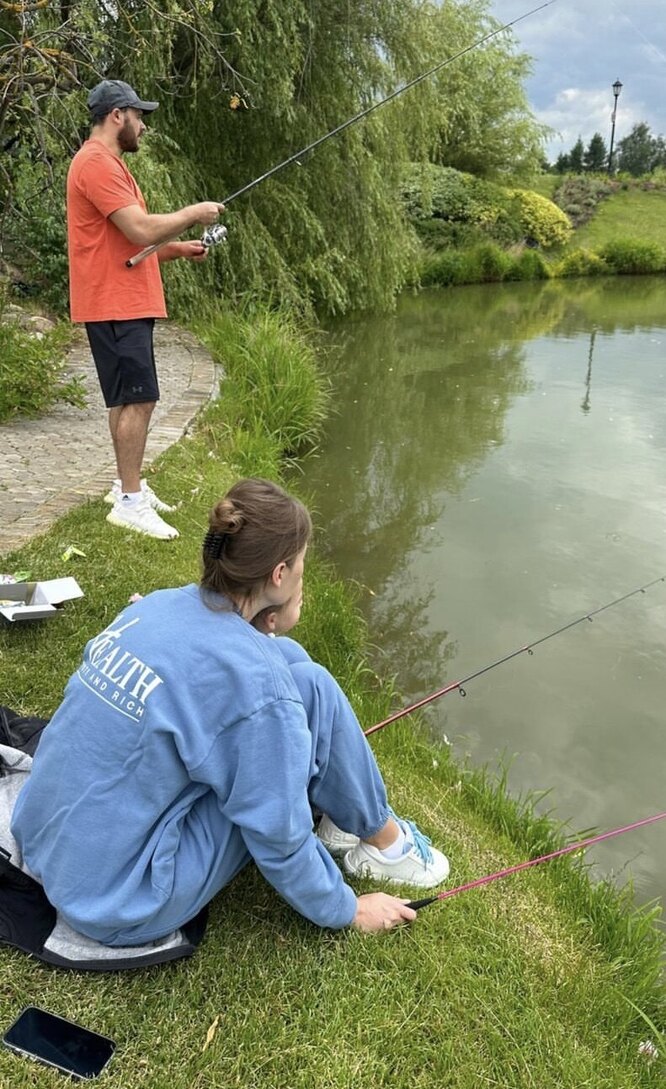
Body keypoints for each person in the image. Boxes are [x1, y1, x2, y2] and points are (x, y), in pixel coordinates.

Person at [11, 479, 449, 943]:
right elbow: (278, 839)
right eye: (301, 565)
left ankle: (361, 822)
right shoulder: (259, 685)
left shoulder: (155, 607)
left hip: (40, 839)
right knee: (291, 716)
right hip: (121, 899)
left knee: (303, 674)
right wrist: (346, 910)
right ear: (280, 573)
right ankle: (383, 841)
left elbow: (254, 670)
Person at [67, 79, 225, 540]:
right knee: (139, 396)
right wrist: (194, 211)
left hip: (117, 298)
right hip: (115, 301)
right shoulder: (97, 164)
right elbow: (138, 228)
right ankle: (131, 502)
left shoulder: (107, 164)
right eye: (140, 117)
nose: (143, 126)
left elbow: (126, 242)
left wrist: (177, 248)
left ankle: (125, 487)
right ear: (118, 115)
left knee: (125, 396)